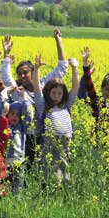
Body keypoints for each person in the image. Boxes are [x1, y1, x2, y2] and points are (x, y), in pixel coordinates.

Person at [0, 29, 68, 167]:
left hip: (43, 136)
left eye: (25, 72)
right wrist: (6, 55)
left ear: (33, 72)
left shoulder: (43, 85)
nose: (22, 76)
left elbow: (62, 68)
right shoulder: (17, 91)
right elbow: (6, 76)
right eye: (19, 74)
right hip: (22, 137)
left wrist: (58, 41)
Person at [32, 54, 79, 183]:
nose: (56, 96)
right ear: (48, 92)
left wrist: (74, 69)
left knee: (64, 166)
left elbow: (75, 88)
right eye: (53, 93)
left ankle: (63, 187)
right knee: (48, 168)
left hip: (65, 143)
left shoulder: (66, 106)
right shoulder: (43, 106)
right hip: (49, 142)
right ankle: (46, 188)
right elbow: (36, 87)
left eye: (59, 93)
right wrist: (36, 69)